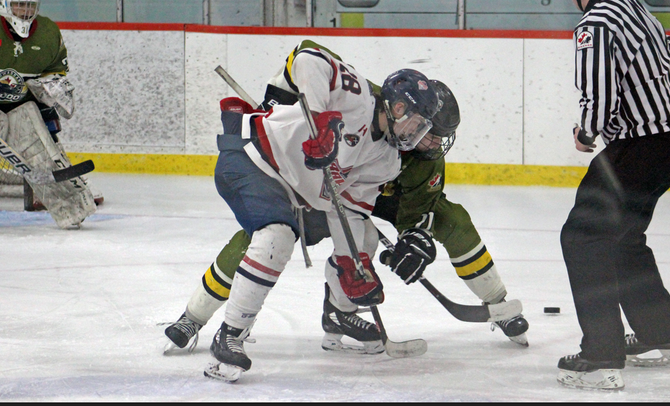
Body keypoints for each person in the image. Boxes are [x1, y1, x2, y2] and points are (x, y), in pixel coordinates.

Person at [163, 41, 528, 359]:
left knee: (415, 229)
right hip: (320, 180)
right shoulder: (368, 101)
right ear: (403, 109)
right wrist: (305, 109)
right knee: (270, 234)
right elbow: (308, 58)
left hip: (360, 194)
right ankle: (194, 315)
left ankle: (497, 304)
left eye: (435, 136)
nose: (430, 142)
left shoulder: (417, 157)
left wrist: (412, 241)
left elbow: (414, 211)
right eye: (426, 131)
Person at [195, 40, 439, 382]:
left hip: (289, 190)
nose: (415, 134)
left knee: (360, 238)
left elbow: (350, 211)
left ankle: (339, 313)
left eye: (421, 130)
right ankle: (230, 335)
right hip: (253, 156)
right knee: (277, 237)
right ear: (397, 107)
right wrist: (320, 118)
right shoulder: (356, 95)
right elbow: (308, 58)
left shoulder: (386, 161)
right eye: (415, 123)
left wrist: (352, 265)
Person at [553, 0, 670, 390]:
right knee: (624, 239)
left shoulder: (595, 23)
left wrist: (587, 132)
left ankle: (601, 357)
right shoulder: (634, 7)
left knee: (583, 237)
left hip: (636, 149)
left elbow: (598, 96)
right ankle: (661, 337)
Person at [0, 0, 100, 228]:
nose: (25, 12)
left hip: (22, 107)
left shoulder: (48, 32)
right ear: (4, 4)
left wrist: (52, 87)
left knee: (44, 157)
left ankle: (72, 209)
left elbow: (55, 69)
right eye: (19, 5)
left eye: (29, 6)